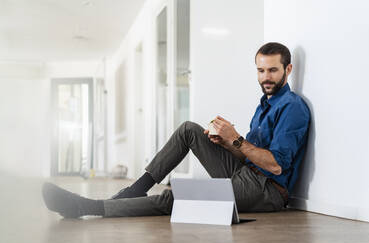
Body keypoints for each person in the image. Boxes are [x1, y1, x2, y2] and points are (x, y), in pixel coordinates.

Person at [42, 42, 311, 218]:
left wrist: (236, 139)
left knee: (176, 196)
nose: (266, 77)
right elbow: (246, 155)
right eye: (261, 70)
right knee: (188, 130)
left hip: (268, 191)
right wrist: (226, 142)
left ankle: (89, 207)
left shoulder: (293, 107)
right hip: (246, 173)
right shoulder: (264, 104)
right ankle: (136, 189)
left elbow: (276, 166)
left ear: (287, 69)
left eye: (272, 71)